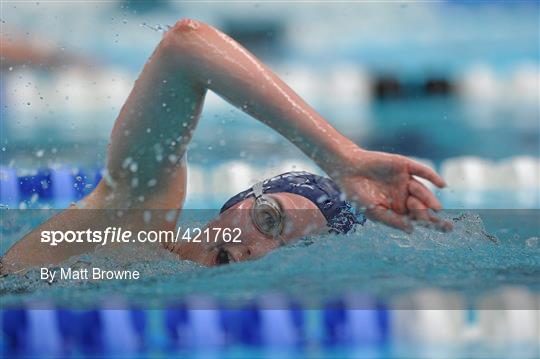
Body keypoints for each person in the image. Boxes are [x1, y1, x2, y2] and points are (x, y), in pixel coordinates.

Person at [1, 19, 451, 274]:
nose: (259, 248)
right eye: (269, 219)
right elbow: (186, 46)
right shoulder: (135, 223)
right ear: (234, 204)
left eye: (290, 254)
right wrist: (340, 157)